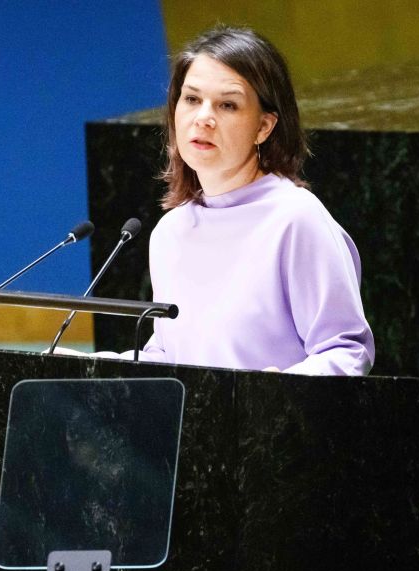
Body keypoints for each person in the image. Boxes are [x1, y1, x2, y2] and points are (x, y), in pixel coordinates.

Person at [66, 25, 374, 376]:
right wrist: (85, 369)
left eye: (227, 105)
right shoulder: (172, 230)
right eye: (192, 99)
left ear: (264, 127)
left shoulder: (297, 220)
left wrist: (271, 396)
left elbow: (346, 352)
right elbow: (172, 359)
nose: (204, 118)